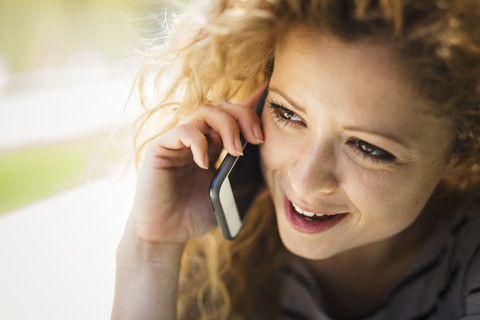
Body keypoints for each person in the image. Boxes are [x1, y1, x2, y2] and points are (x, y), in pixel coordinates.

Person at [111, 0, 480, 319]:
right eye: (288, 114)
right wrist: (152, 248)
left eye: (368, 148)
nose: (303, 181)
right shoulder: (216, 258)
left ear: (461, 154)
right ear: (258, 97)